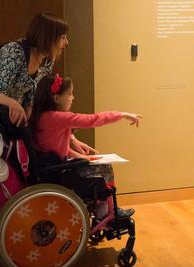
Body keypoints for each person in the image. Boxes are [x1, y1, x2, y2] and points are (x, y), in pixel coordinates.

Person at [0, 12, 70, 165]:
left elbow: (33, 89)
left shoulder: (47, 59)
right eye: (62, 37)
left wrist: (29, 107)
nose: (66, 42)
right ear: (48, 37)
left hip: (9, 113)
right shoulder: (14, 52)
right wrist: (14, 104)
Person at [30, 73, 142, 218]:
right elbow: (92, 120)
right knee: (105, 168)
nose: (72, 98)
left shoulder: (41, 116)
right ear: (57, 98)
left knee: (95, 163)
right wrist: (121, 114)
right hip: (59, 173)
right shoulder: (58, 117)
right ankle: (110, 211)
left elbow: (57, 149)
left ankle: (102, 208)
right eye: (70, 94)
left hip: (51, 168)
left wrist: (83, 157)